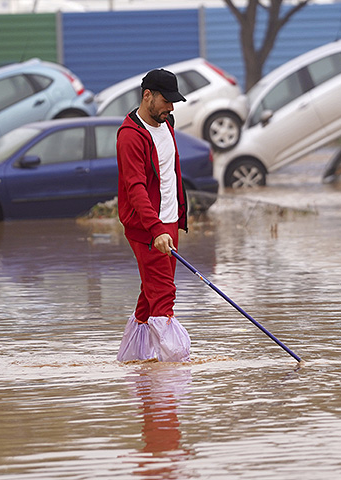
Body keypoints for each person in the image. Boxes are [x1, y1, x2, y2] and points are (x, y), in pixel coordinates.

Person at [115, 68, 191, 362]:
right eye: (166, 101)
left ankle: (136, 362)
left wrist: (175, 220)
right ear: (147, 96)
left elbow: (169, 174)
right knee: (163, 295)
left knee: (150, 295)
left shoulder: (166, 122)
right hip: (149, 228)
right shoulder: (130, 137)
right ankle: (170, 380)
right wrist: (156, 229)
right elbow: (135, 188)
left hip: (169, 222)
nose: (171, 108)